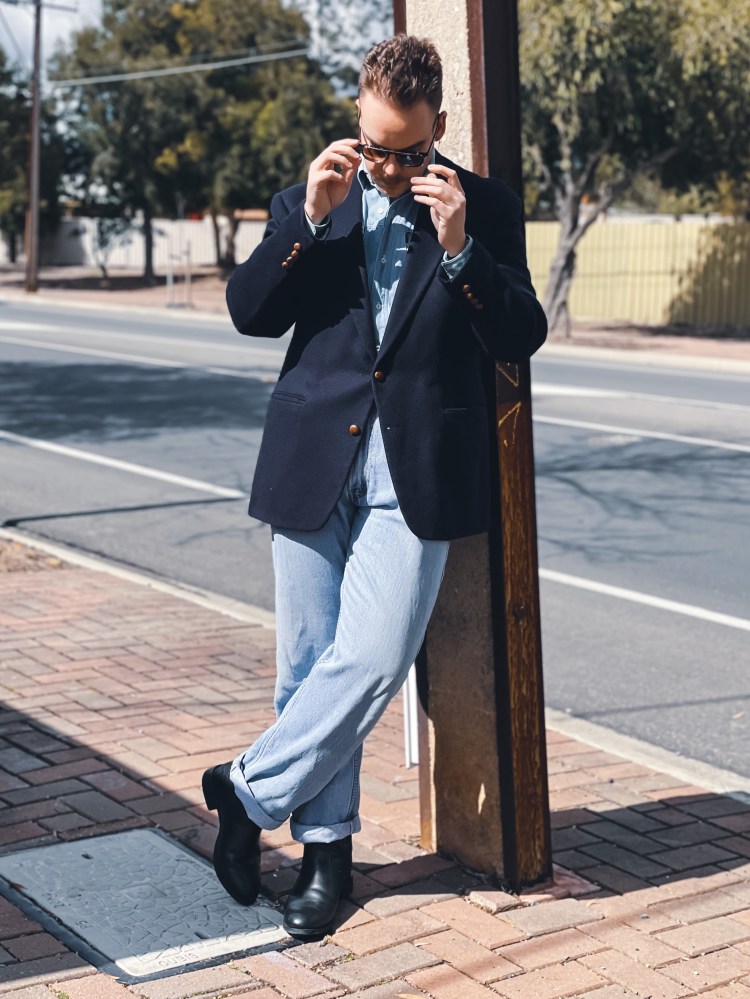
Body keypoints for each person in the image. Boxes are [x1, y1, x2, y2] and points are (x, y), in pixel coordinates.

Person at [202, 33, 547, 939]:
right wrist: (305, 225)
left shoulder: (484, 208)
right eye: (381, 147)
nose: (393, 168)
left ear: (440, 126)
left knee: (375, 656)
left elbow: (522, 333)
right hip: (312, 458)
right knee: (307, 667)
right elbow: (248, 312)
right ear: (358, 115)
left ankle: (243, 792)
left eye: (414, 150)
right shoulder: (313, 196)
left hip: (418, 472)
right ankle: (327, 857)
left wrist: (463, 252)